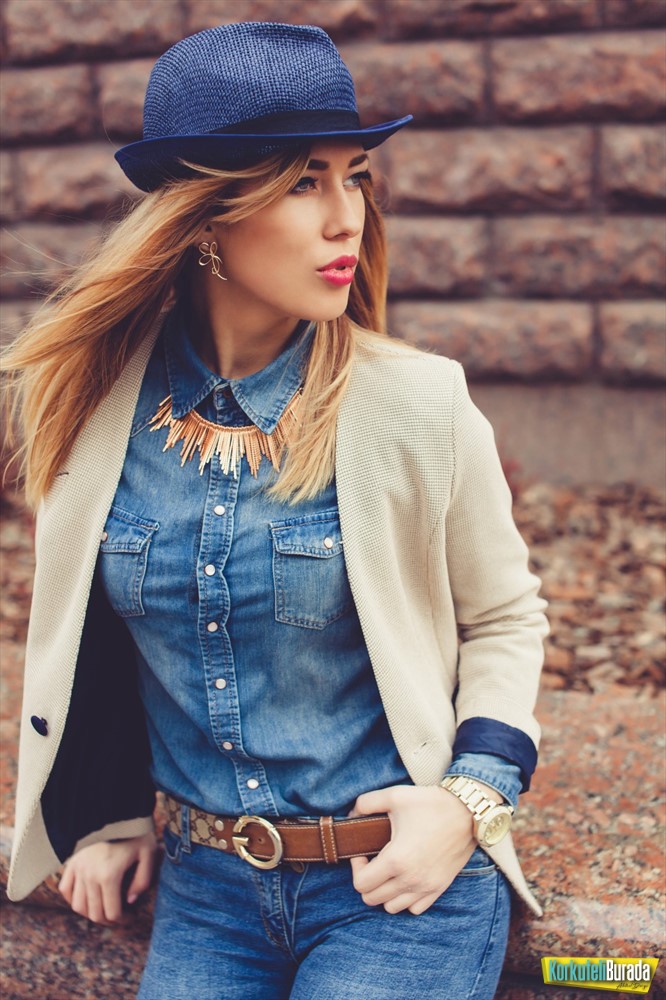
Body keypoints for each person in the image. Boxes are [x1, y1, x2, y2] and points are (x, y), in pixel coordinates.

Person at [3, 22, 548, 1000]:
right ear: (206, 217)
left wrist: (470, 801)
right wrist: (109, 809)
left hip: (396, 887)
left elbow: (505, 618)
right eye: (304, 182)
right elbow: (108, 632)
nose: (346, 219)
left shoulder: (418, 404)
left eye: (355, 177)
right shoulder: (91, 406)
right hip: (207, 894)